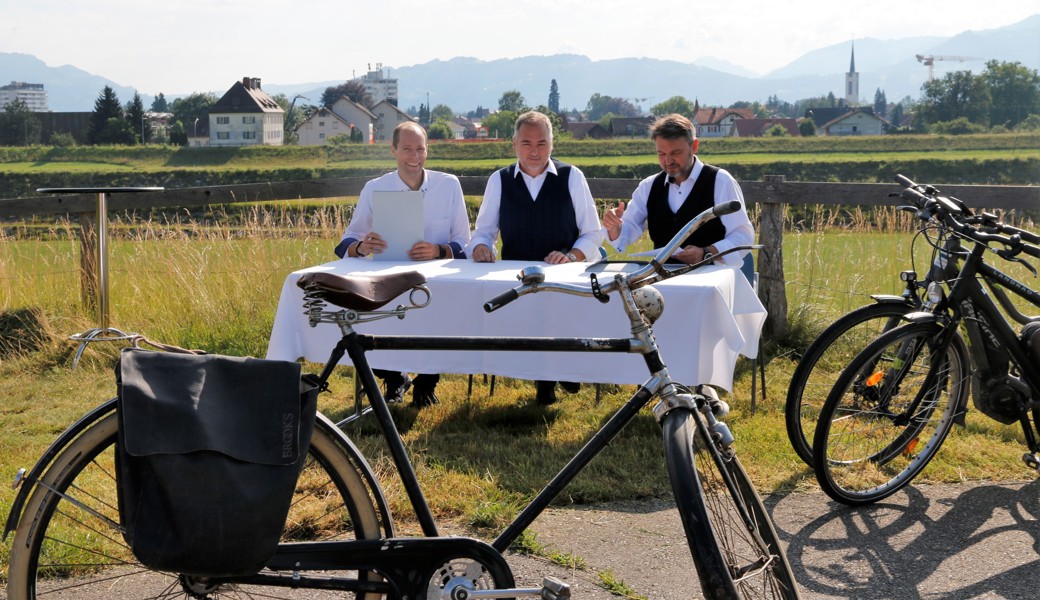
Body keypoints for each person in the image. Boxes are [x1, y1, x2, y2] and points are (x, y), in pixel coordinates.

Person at [468, 110, 603, 405]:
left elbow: (593, 233)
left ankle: (557, 373)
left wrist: (571, 255)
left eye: (542, 143)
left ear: (552, 144)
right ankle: (550, 377)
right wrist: (480, 247)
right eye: (527, 143)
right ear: (514, 144)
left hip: (564, 275)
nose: (534, 151)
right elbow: (483, 232)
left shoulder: (571, 177)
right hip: (515, 276)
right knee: (529, 313)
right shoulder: (500, 180)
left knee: (555, 310)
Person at [334, 121, 471, 407]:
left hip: (437, 279)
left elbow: (464, 243)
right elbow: (347, 240)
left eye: (420, 149)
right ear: (393, 149)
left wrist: (439, 249)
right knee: (368, 317)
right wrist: (361, 246)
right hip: (387, 276)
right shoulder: (375, 188)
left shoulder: (449, 185)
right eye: (407, 148)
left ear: (427, 151)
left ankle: (427, 381)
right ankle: (394, 376)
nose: (415, 156)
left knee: (442, 314)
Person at [601, 113, 754, 267]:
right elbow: (625, 234)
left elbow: (743, 236)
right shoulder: (649, 186)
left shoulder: (720, 181)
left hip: (712, 280)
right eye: (661, 154)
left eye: (675, 153)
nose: (668, 161)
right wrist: (615, 227)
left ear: (694, 146)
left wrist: (706, 252)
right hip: (661, 280)